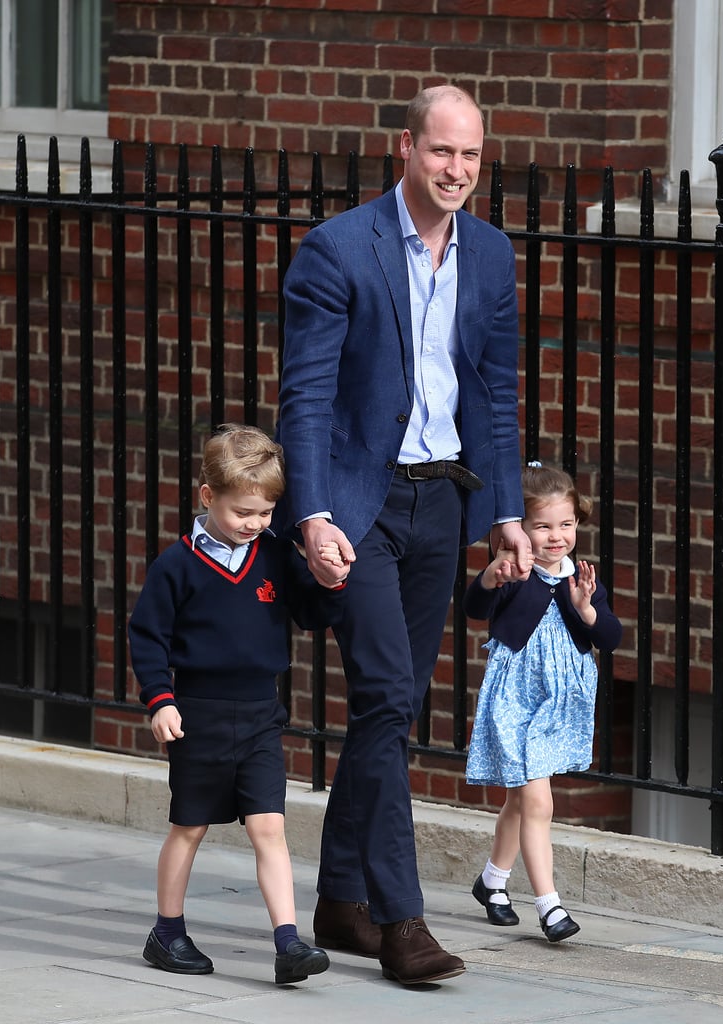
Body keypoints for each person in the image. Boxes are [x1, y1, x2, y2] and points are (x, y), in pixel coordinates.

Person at [276, 84, 531, 986]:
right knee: (386, 696)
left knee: (392, 707)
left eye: (470, 156)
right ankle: (399, 918)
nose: (456, 171)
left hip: (442, 504)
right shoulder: (337, 249)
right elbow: (304, 398)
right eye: (441, 152)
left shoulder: (492, 256)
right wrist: (310, 516)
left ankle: (339, 898)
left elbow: (494, 394)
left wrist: (504, 510)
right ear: (407, 149)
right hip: (360, 507)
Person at [128, 424, 346, 986]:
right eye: (242, 512)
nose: (254, 523)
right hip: (197, 714)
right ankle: (167, 932)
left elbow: (313, 615)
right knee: (189, 827)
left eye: (266, 512)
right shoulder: (176, 564)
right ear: (207, 497)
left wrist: (331, 581)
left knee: (269, 827)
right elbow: (147, 635)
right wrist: (160, 700)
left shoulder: (274, 553)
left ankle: (288, 944)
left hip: (259, 716)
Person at [464, 463, 622, 941]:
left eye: (566, 524)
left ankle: (492, 882)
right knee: (538, 801)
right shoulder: (516, 570)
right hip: (516, 696)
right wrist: (492, 576)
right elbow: (475, 608)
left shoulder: (582, 578)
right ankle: (550, 906)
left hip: (559, 701)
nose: (557, 537)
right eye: (543, 526)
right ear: (521, 529)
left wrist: (587, 609)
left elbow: (610, 637)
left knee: (521, 797)